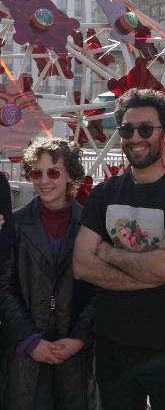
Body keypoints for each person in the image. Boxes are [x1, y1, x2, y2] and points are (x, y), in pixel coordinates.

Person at [73, 88, 165, 410]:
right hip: (112, 343)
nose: (135, 137)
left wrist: (107, 252)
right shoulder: (104, 193)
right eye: (127, 130)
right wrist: (152, 268)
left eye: (146, 129)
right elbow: (81, 265)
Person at [0, 139, 97, 410]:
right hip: (24, 351)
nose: (44, 180)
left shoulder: (91, 224)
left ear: (70, 175)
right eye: (36, 172)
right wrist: (30, 339)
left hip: (75, 353)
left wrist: (79, 337)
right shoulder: (15, 224)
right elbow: (3, 284)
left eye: (53, 172)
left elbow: (100, 289)